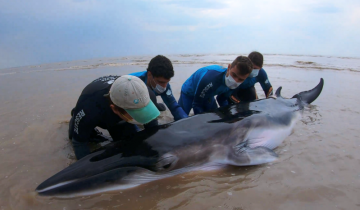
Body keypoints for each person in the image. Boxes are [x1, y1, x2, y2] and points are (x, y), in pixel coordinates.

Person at [68, 75, 163, 160]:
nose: (141, 118)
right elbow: (79, 143)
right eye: (136, 113)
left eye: (143, 110)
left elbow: (152, 130)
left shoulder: (147, 94)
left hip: (116, 111)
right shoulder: (89, 108)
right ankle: (75, 114)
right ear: (115, 109)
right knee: (76, 136)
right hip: (95, 105)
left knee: (129, 146)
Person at [178, 56, 253, 115]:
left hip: (208, 94)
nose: (235, 81)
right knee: (181, 119)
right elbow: (197, 104)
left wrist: (227, 114)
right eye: (234, 75)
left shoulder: (235, 84)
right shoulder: (210, 78)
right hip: (189, 92)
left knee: (215, 115)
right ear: (229, 67)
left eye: (240, 79)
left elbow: (222, 99)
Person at [129, 55, 188, 121]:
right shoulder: (132, 83)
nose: (164, 86)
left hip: (151, 99)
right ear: (149, 75)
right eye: (161, 82)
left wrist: (186, 121)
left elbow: (174, 106)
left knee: (162, 108)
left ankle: (155, 105)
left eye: (167, 82)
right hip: (133, 100)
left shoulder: (165, 86)